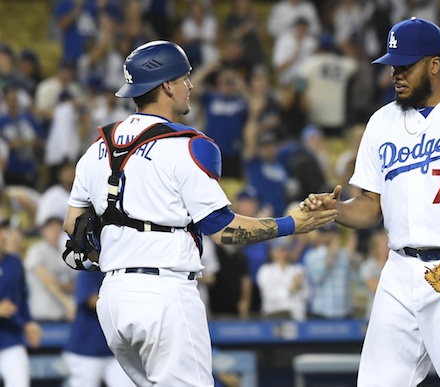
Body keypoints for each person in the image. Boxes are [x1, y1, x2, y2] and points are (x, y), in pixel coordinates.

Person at [63, 40, 337, 387]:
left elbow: (72, 225)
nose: (190, 86)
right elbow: (223, 230)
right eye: (184, 78)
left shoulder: (98, 147)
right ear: (166, 85)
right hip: (164, 295)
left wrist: (124, 250)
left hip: (114, 299)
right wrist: (291, 224)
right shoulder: (188, 146)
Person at [302, 17, 440, 386]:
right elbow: (370, 207)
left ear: (435, 64)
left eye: (406, 65)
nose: (397, 73)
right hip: (399, 272)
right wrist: (336, 212)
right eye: (393, 66)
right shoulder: (381, 123)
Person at [62, 271, 135, 387]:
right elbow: (91, 300)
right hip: (86, 350)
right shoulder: (89, 270)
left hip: (115, 351)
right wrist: (124, 304)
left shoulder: (123, 271)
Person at [0, 223, 42, 387]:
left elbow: (22, 298)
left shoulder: (14, 263)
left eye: (4, 230)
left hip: (11, 337)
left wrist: (28, 322)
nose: (3, 235)